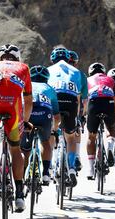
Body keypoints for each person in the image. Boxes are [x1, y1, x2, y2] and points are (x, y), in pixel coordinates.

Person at [0, 44, 33, 212]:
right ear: (17, 58)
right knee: (15, 149)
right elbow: (28, 100)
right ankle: (19, 195)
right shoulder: (24, 68)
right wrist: (25, 121)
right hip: (12, 108)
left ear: (0, 58)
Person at [47, 47, 86, 187]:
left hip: (54, 100)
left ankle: (49, 165)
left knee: (50, 133)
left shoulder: (48, 70)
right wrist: (78, 116)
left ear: (52, 59)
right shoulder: (77, 72)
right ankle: (70, 167)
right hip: (70, 102)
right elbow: (79, 97)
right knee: (70, 138)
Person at [20, 65, 60, 186]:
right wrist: (55, 130)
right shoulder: (50, 89)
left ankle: (23, 175)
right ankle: (46, 173)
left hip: (28, 111)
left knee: (24, 148)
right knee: (45, 143)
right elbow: (57, 116)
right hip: (44, 113)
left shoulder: (24, 86)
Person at [86, 62, 115, 179]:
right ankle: (110, 146)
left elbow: (85, 100)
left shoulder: (87, 79)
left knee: (91, 136)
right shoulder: (110, 79)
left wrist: (84, 114)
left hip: (93, 104)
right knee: (110, 128)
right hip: (108, 103)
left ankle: (90, 169)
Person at [68, 50, 88, 171]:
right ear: (75, 63)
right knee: (76, 128)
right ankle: (76, 155)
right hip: (75, 105)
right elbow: (85, 99)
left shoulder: (56, 72)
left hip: (57, 104)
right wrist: (83, 115)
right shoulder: (80, 74)